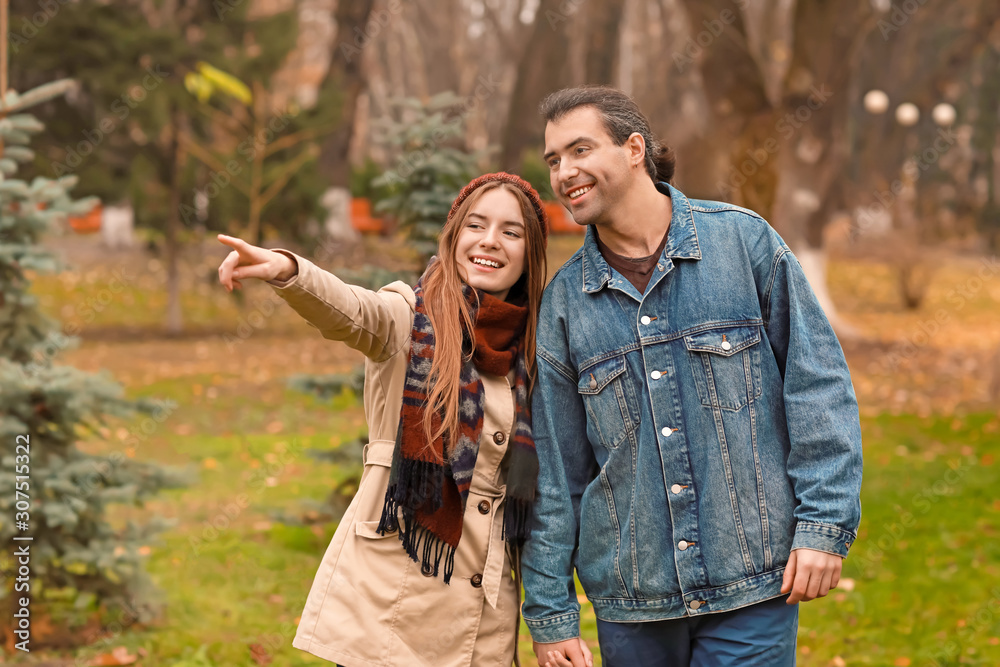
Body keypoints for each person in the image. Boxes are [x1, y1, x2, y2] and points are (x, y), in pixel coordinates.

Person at [520, 86, 864, 667]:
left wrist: (823, 523)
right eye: (554, 159)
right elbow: (556, 474)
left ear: (634, 149)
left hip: (752, 585)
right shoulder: (564, 306)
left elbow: (818, 386)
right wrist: (552, 615)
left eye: (580, 150)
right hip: (633, 601)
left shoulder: (743, 243)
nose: (564, 172)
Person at [216, 172, 593, 667]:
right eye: (475, 225)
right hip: (393, 603)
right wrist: (289, 271)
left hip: (483, 613)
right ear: (454, 235)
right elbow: (354, 311)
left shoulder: (534, 350)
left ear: (531, 253)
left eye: (511, 231)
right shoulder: (409, 317)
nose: (489, 241)